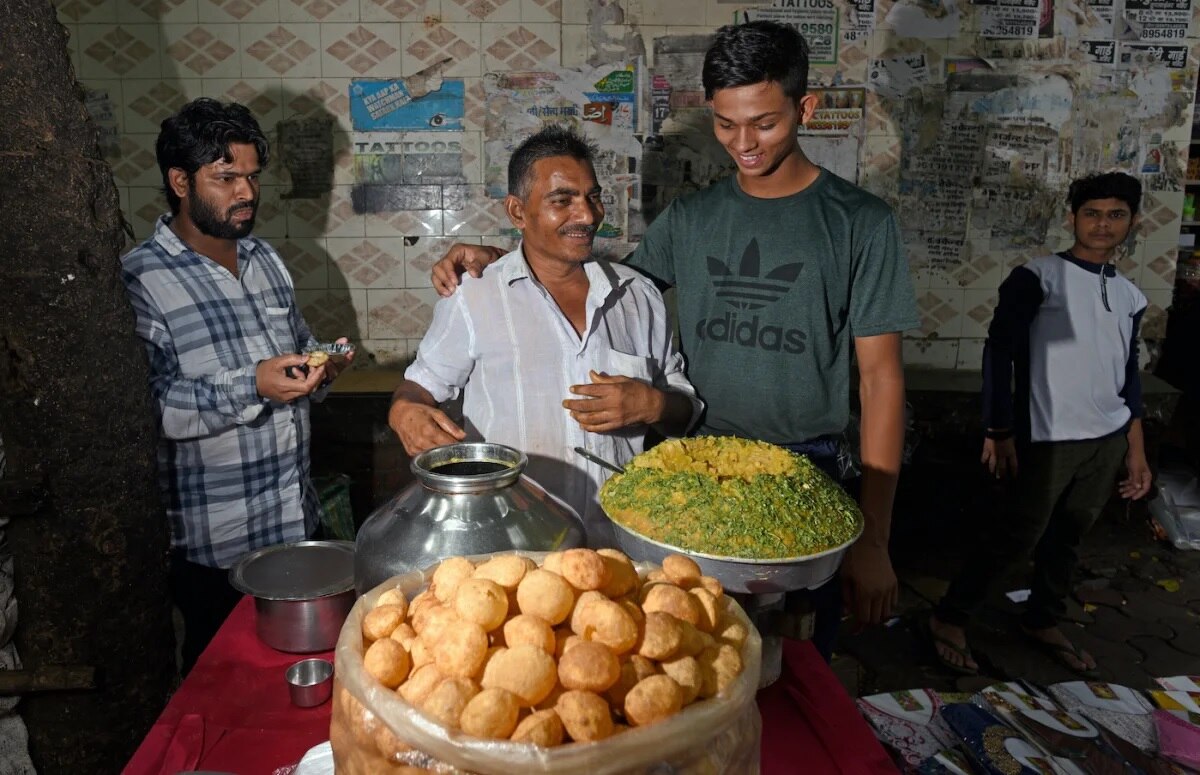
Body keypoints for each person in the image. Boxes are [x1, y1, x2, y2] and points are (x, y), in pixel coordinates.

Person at [429, 22, 919, 658]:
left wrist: (874, 539)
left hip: (809, 474)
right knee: (686, 657)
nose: (742, 143)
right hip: (691, 477)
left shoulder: (859, 223)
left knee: (793, 666)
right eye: (725, 124)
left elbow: (882, 381)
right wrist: (502, 257)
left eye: (764, 124)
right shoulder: (691, 219)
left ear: (806, 109)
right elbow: (598, 284)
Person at [121, 98, 354, 673]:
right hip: (213, 550)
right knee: (224, 691)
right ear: (180, 181)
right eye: (225, 178)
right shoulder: (140, 279)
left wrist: (321, 370)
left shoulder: (265, 260)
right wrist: (253, 385)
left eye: (251, 176)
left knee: (314, 680)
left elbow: (295, 355)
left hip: (293, 526)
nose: (246, 193)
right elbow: (146, 409)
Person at [387, 126, 700, 546]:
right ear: (517, 212)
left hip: (623, 545)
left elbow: (686, 411)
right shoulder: (475, 296)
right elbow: (419, 388)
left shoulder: (637, 296)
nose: (587, 216)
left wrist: (653, 403)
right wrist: (404, 412)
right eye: (562, 200)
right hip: (511, 547)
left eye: (592, 197)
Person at [926, 172, 1152, 676]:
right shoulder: (1038, 277)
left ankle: (1043, 618)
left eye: (1116, 214)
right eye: (1092, 213)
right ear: (1073, 218)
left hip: (1107, 439)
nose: (1103, 224)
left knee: (1070, 534)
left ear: (1132, 223)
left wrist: (1135, 449)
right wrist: (998, 429)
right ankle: (950, 617)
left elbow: (1128, 375)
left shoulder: (1131, 296)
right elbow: (999, 352)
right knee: (1017, 533)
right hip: (1047, 436)